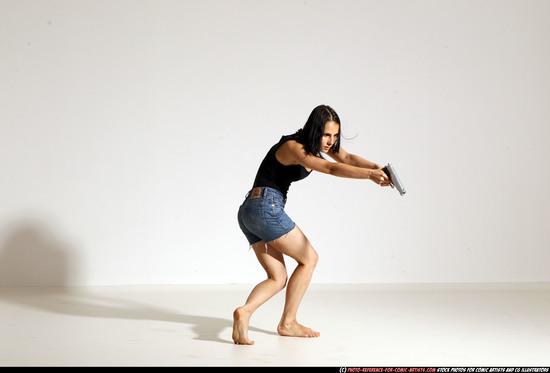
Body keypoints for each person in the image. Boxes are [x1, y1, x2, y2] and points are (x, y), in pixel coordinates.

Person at [233, 105, 391, 345]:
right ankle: (288, 323)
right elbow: (331, 167)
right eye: (326, 135)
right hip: (266, 207)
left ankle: (244, 311)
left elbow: (346, 158)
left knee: (277, 277)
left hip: (250, 210)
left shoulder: (317, 147)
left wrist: (377, 168)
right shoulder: (294, 146)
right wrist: (369, 176)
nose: (331, 141)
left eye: (335, 135)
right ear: (314, 130)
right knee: (310, 258)